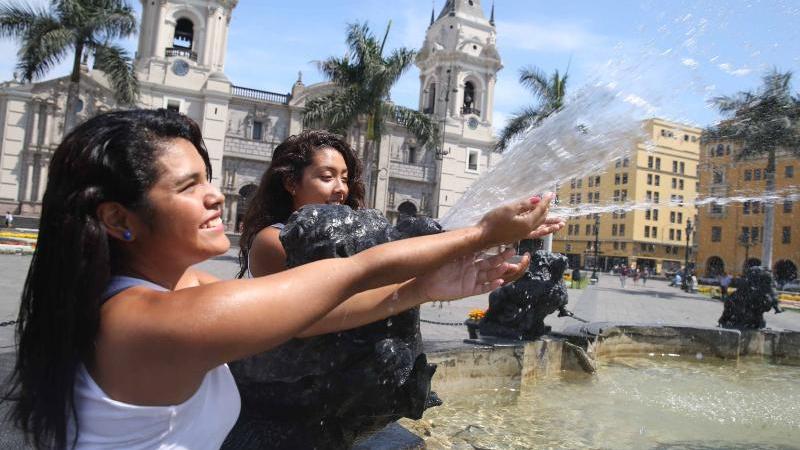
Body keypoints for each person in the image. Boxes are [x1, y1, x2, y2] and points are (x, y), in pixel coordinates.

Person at [2, 109, 563, 449]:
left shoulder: (175, 291)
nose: (216, 195)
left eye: (210, 179)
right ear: (117, 218)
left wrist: (419, 290)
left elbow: (316, 314)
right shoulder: (144, 323)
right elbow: (348, 273)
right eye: (188, 186)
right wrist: (483, 231)